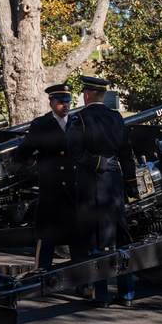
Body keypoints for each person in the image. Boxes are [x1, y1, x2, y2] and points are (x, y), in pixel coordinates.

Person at [66, 76, 138, 307]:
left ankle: (102, 295)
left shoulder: (79, 119)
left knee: (97, 241)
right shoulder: (116, 118)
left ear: (86, 95)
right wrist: (131, 184)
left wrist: (97, 163)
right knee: (120, 238)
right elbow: (127, 153)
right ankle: (127, 294)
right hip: (115, 183)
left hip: (91, 184)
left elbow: (74, 153)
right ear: (103, 95)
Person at [12, 83, 77, 270]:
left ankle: (83, 282)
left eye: (68, 101)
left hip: (74, 187)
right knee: (47, 235)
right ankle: (41, 277)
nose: (66, 105)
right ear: (51, 103)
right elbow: (21, 155)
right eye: (61, 101)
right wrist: (40, 168)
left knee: (78, 236)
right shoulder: (41, 125)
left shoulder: (77, 124)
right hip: (51, 188)